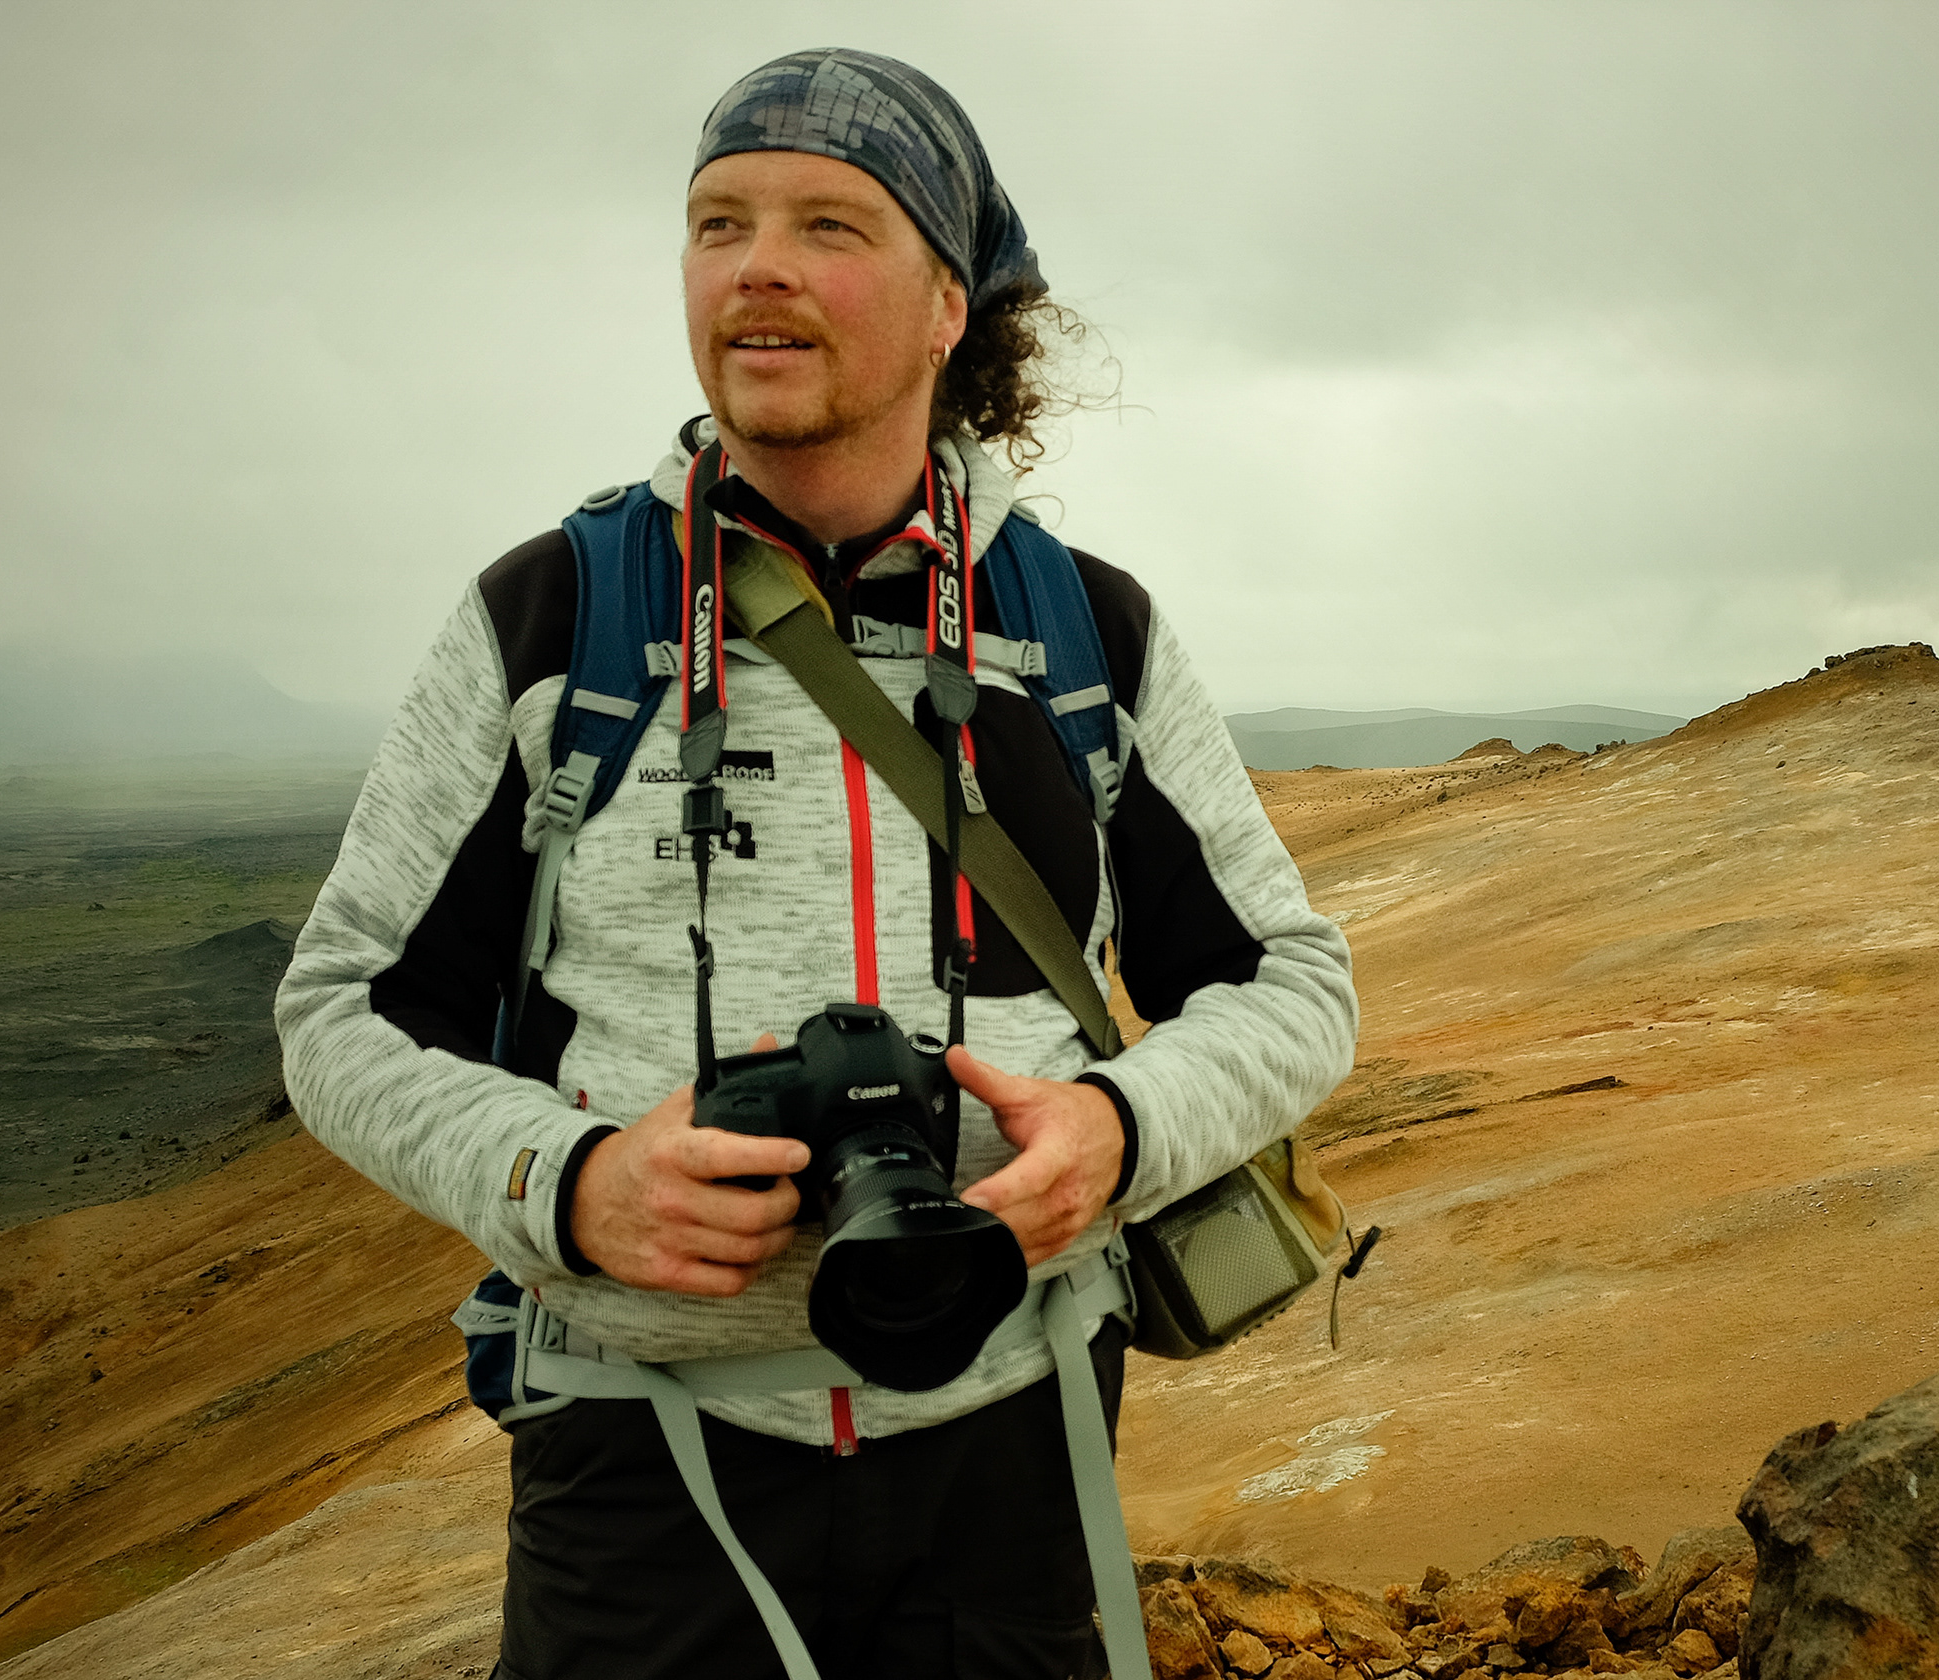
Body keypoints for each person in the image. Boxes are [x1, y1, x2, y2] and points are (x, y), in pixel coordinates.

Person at [274, 47, 1358, 1680]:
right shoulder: (558, 621)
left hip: (1015, 1441)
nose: (757, 265)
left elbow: (1295, 986)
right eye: (719, 222)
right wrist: (566, 1183)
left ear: (948, 308)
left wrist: (1120, 1131)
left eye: (829, 225)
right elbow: (341, 1013)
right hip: (641, 1459)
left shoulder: (1082, 632)